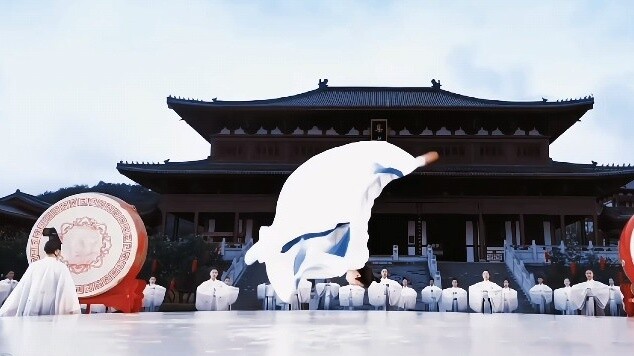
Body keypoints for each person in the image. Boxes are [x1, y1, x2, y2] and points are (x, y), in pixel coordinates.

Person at [244, 141, 439, 302]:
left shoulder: (351, 259)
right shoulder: (349, 261)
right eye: (354, 283)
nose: (350, 283)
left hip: (340, 215)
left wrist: (416, 162)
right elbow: (313, 259)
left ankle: (274, 244)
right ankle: (274, 245)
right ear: (357, 278)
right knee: (309, 227)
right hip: (338, 218)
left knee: (305, 223)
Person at [0, 237, 80, 316]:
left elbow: (23, 288)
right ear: (57, 251)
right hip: (52, 312)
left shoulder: (34, 266)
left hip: (32, 308)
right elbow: (67, 292)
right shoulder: (61, 267)